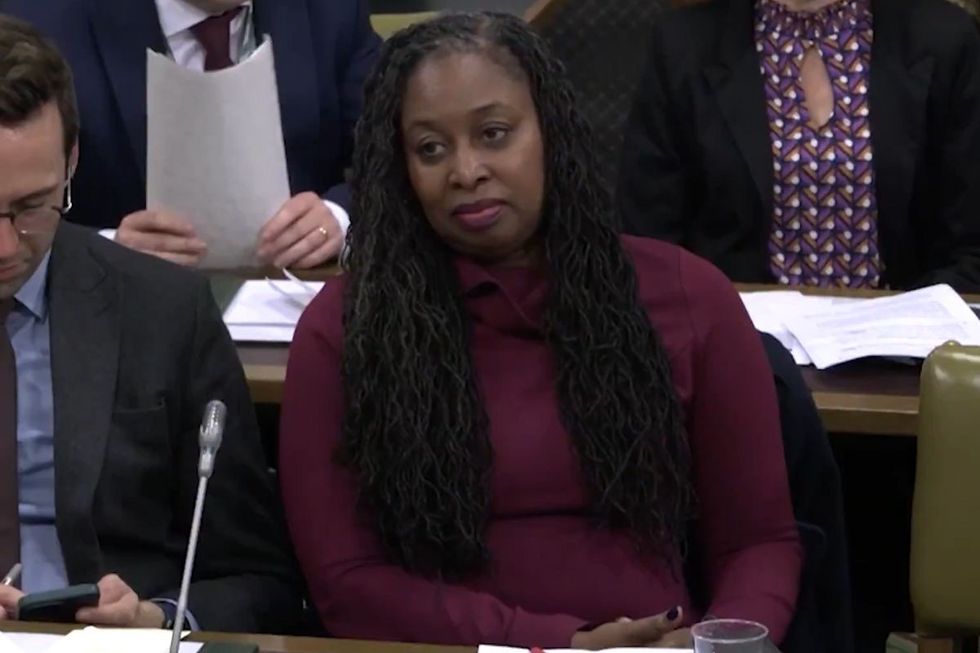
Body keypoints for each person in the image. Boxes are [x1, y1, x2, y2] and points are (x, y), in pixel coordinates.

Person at [279, 11, 802, 648]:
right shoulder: (344, 329)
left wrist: (716, 645)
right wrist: (558, 644)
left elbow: (757, 540)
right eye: (430, 149)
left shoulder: (690, 298)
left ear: (550, 131)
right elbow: (346, 582)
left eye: (494, 133)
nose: (465, 170)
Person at [0, 15, 301, 632]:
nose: (3, 245)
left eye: (31, 207)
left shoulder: (164, 313)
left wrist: (158, 617)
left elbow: (262, 583)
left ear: (72, 160)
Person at [617, 0, 980, 292]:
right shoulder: (683, 47)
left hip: (905, 352)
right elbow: (649, 246)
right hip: (736, 344)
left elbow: (970, 247)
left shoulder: (946, 42)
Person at [3, 0, 381, 269]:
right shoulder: (41, 22)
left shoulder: (331, 10)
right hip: (114, 323)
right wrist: (107, 249)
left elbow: (391, 150)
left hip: (295, 298)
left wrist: (338, 216)